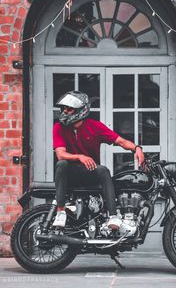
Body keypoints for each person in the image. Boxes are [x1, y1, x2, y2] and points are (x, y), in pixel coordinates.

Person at [53, 91, 145, 229]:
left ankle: (113, 217)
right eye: (64, 108)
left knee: (103, 170)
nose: (65, 111)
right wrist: (80, 156)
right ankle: (60, 211)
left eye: (69, 108)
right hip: (70, 174)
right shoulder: (59, 127)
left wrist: (136, 148)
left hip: (89, 172)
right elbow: (60, 154)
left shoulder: (95, 126)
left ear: (81, 110)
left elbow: (120, 141)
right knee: (62, 164)